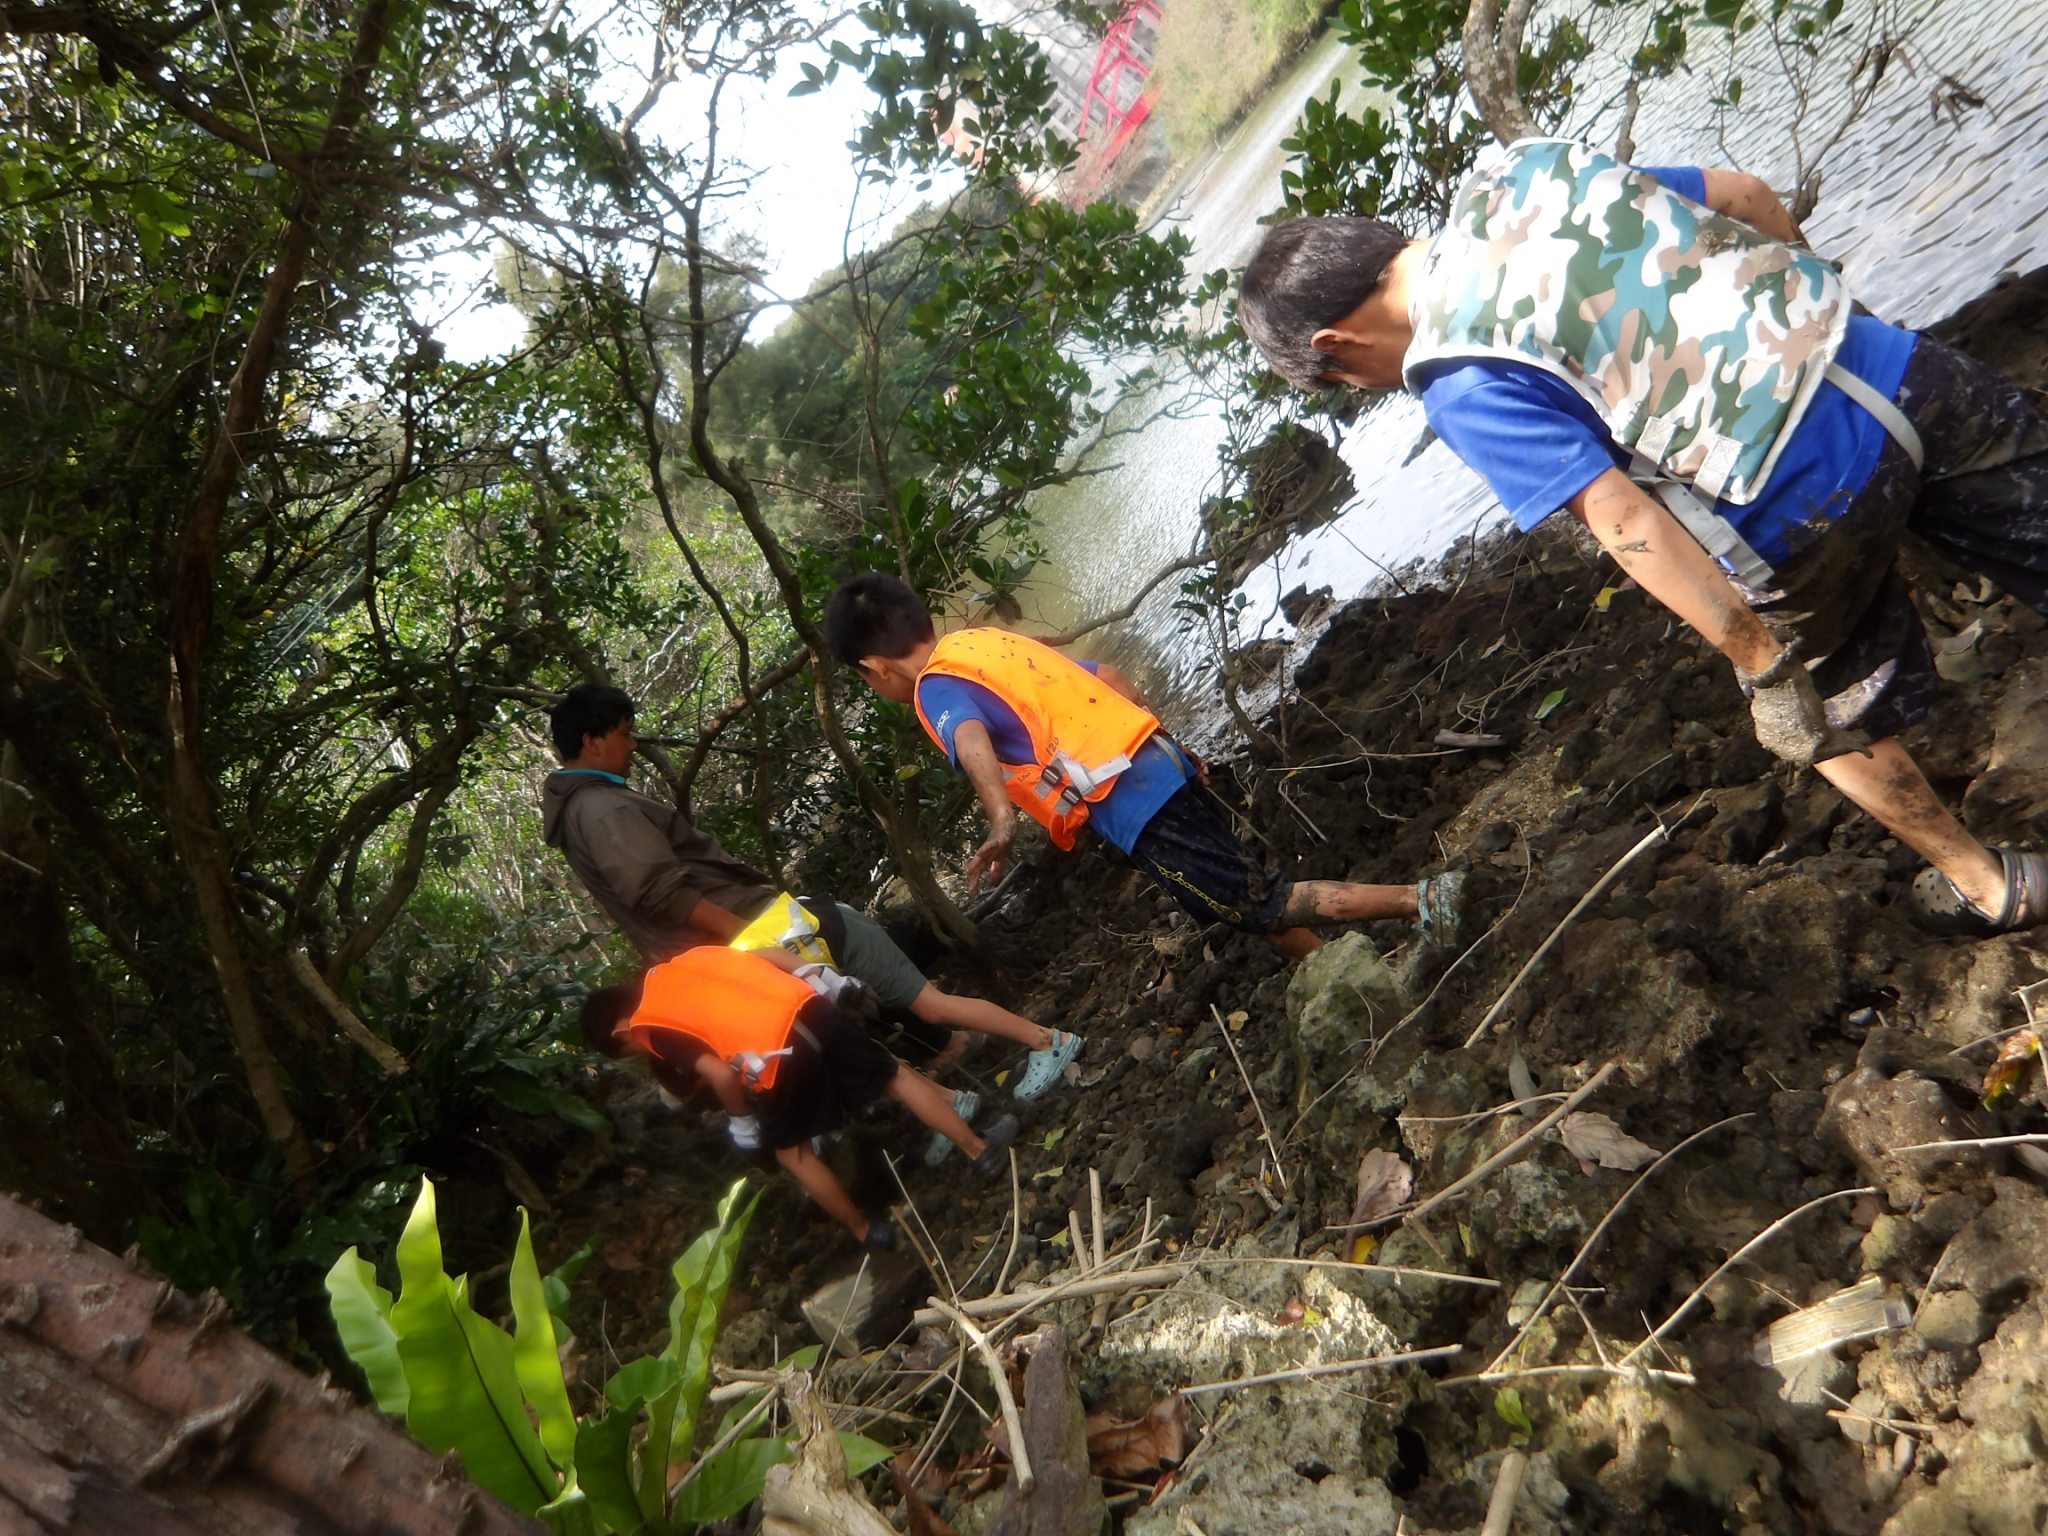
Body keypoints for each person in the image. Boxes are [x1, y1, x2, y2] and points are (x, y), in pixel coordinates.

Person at [1235, 138, 2048, 937]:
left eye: (1344, 383)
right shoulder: (1527, 175)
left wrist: (1761, 664)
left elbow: (1626, 519)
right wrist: (1830, 337)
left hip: (1798, 504)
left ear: (1332, 349)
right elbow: (1750, 199)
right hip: (1897, 371)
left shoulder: (1458, 379)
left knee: (1829, 717)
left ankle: (1987, 885)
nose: (1366, 386)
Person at [822, 576, 1465, 960]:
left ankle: (1423, 900)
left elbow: (971, 742)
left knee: (1257, 901)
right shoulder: (987, 644)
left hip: (1131, 801)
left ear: (873, 668)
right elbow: (1108, 679)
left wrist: (999, 821)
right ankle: (1341, 973)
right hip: (1154, 758)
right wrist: (1174, 748)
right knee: (1236, 900)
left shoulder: (937, 689)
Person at [543, 683, 1084, 1099]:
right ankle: (996, 1069)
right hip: (769, 936)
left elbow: (660, 896)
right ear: (592, 742)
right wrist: (746, 944)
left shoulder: (585, 812)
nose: (632, 744)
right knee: (889, 1018)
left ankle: (1043, 1042)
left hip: (780, 937)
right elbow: (663, 893)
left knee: (913, 1011)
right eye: (622, 733)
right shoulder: (601, 809)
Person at [580, 945, 1019, 1250]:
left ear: (621, 1030)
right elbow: (765, 957)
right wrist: (819, 976)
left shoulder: (654, 1023)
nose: (641, 1049)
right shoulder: (689, 962)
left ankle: (867, 1232)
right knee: (894, 1077)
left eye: (631, 1049)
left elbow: (718, 1074)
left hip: (777, 1055)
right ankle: (979, 1150)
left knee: (793, 1153)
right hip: (809, 1007)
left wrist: (741, 1121)